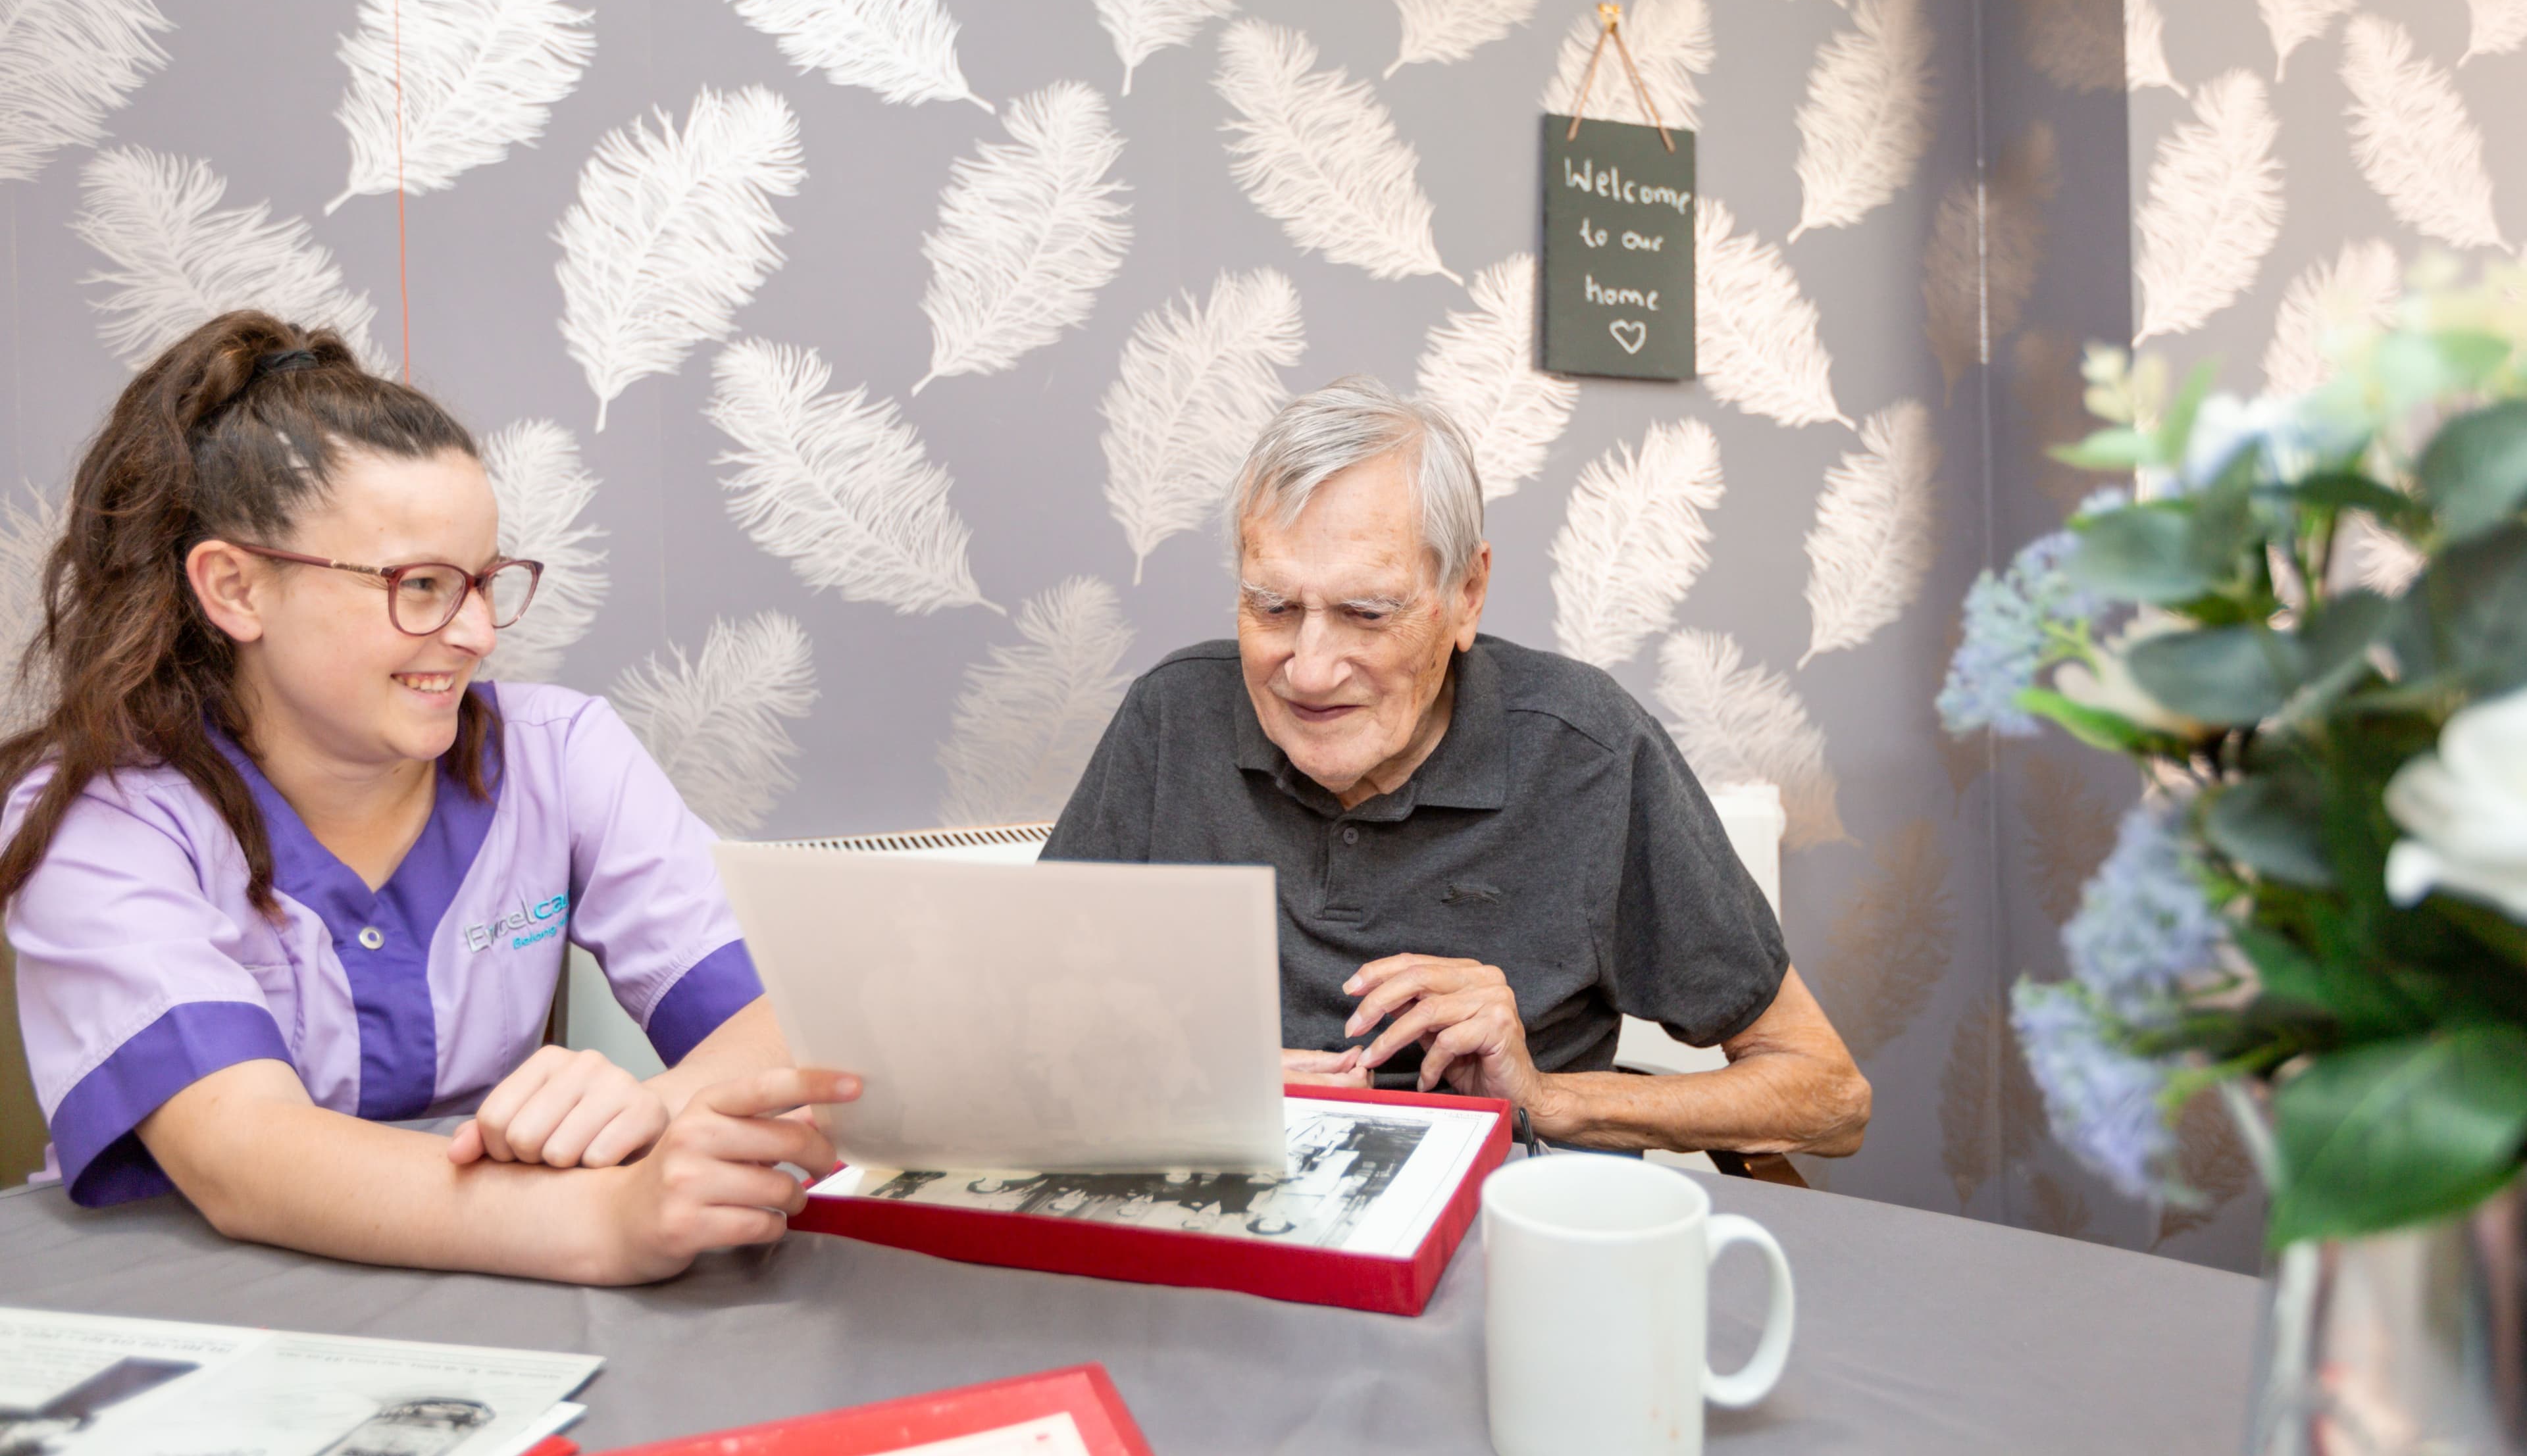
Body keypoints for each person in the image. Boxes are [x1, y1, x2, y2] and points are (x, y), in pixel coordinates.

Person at [0, 312, 852, 1284]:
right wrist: (603, 1221)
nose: (478, 632)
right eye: (421, 586)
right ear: (235, 588)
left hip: (497, 1290)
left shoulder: (561, 753)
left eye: (486, 582)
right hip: (195, 1308)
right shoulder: (101, 815)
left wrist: (657, 1107)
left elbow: (789, 1020)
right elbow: (247, 1158)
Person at [1046, 376, 1871, 1161]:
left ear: (1467, 594)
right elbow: (1020, 1034)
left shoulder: (1587, 752)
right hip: (1226, 1226)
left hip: (1493, 1248)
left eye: (1365, 613)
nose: (1308, 668)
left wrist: (1545, 1100)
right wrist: (1205, 1091)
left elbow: (1828, 1096)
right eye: (1274, 606)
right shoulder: (1171, 718)